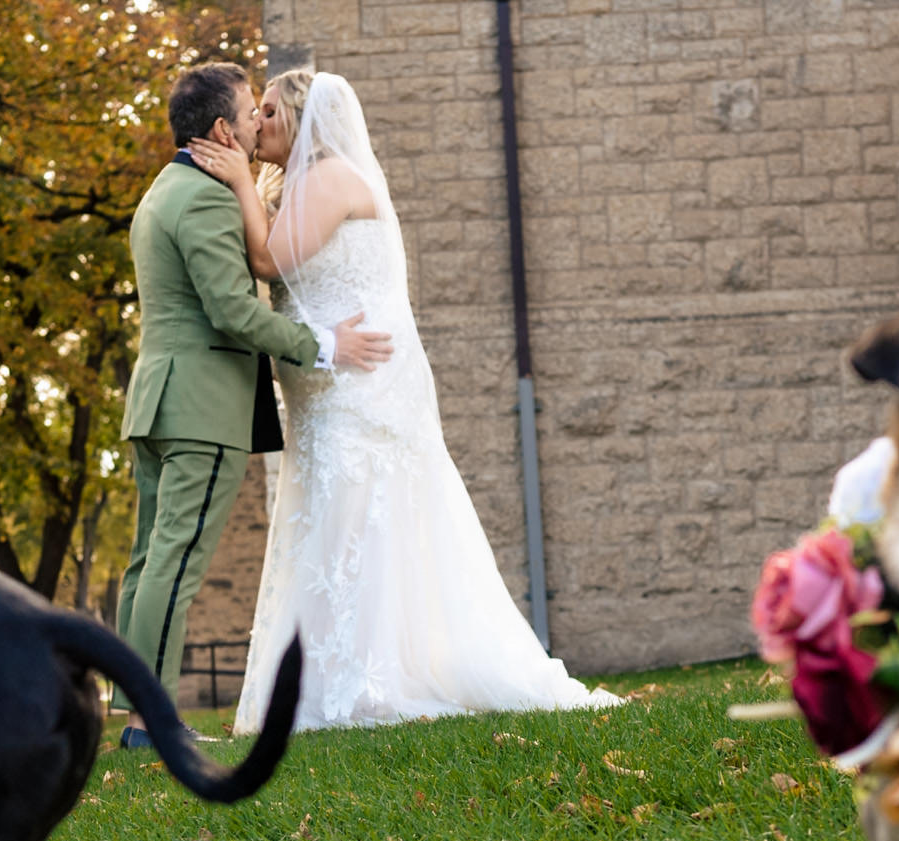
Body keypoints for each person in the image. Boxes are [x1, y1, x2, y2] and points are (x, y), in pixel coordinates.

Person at [190, 69, 624, 733]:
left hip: (355, 391)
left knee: (356, 529)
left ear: (302, 119)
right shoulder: (303, 184)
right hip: (325, 392)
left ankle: (363, 686)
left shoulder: (329, 178)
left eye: (270, 112)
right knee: (336, 533)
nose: (259, 125)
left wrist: (242, 184)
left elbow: (271, 264)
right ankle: (326, 684)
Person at [112, 63, 394, 750]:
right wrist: (324, 344)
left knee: (150, 560)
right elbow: (235, 313)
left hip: (159, 401)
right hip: (200, 407)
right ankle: (153, 723)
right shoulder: (206, 198)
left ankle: (137, 715)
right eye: (247, 114)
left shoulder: (164, 190)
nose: (256, 124)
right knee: (173, 563)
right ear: (219, 130)